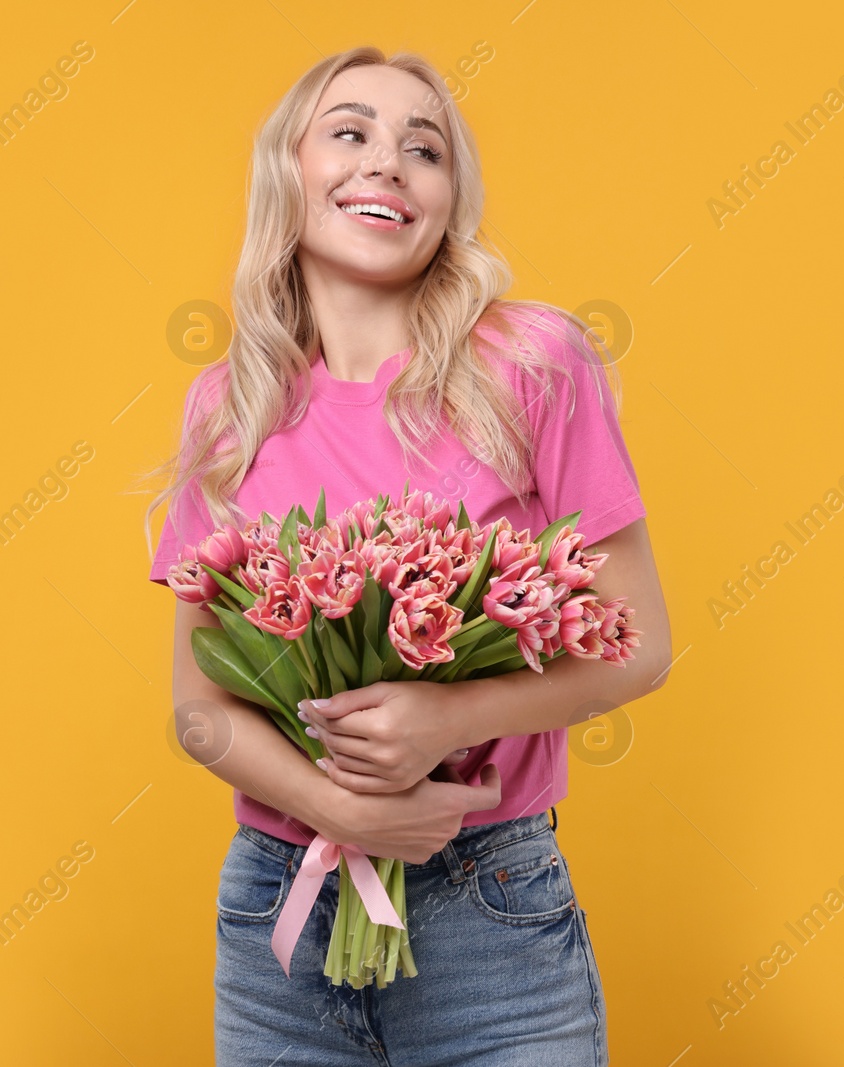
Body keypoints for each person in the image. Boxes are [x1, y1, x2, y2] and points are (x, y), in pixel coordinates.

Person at [142, 46, 671, 1066]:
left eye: (422, 149)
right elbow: (199, 704)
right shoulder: (229, 408)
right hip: (277, 915)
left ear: (445, 201)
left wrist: (449, 715)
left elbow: (639, 644)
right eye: (350, 132)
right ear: (286, 176)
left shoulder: (530, 362)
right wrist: (335, 805)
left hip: (487, 903)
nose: (386, 161)